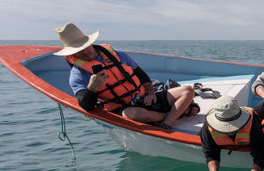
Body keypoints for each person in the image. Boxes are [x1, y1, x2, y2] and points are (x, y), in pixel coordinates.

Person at [55, 23, 195, 130]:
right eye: (79, 50)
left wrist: (151, 93)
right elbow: (86, 106)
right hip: (122, 107)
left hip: (142, 97)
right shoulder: (77, 74)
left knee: (187, 90)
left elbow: (142, 76)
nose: (85, 52)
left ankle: (168, 121)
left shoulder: (117, 55)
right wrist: (92, 88)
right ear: (72, 53)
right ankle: (175, 115)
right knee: (139, 115)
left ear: (90, 42)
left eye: (86, 46)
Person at [201, 96, 264, 171]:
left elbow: (261, 157)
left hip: (257, 118)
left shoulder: (252, 124)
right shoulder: (207, 127)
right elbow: (210, 153)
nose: (230, 131)